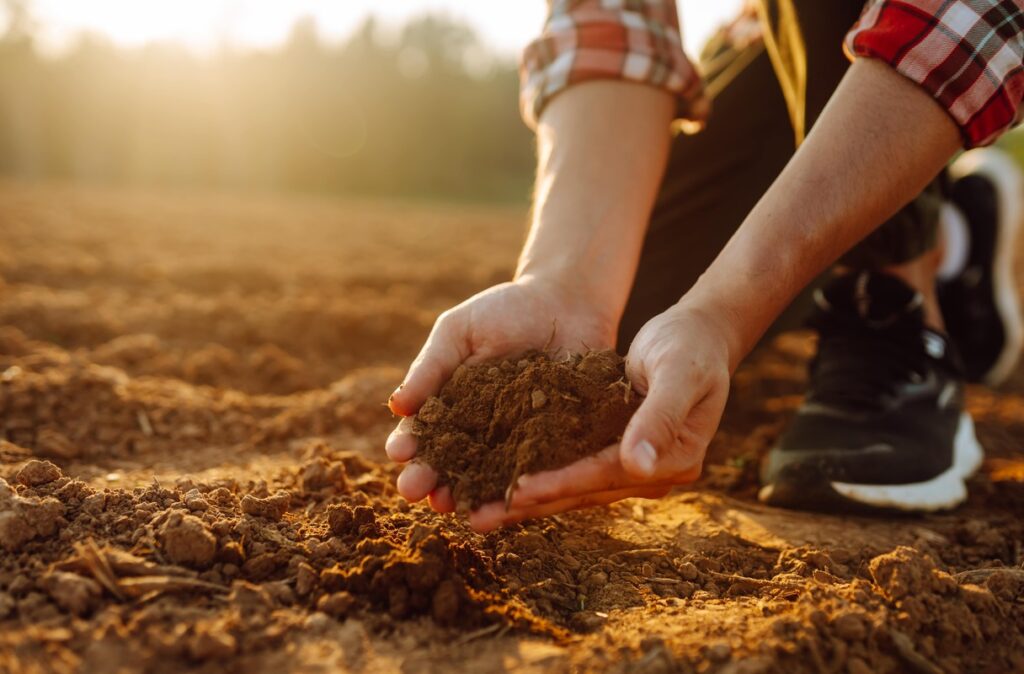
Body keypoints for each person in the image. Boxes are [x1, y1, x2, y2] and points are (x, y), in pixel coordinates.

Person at [386, 0, 1024, 531]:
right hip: (784, 56)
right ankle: (956, 235)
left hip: (921, 30)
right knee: (624, 340)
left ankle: (893, 296)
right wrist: (565, 278)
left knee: (697, 327)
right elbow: (612, 21)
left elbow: (976, 20)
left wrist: (724, 314)